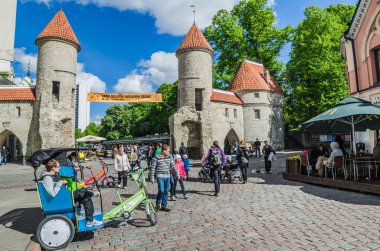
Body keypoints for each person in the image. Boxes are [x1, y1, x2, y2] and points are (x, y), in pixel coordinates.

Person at [40, 159, 102, 227]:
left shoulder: (52, 175)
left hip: (62, 196)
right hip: (60, 200)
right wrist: (60, 182)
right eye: (58, 166)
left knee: (84, 195)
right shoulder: (47, 178)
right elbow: (52, 194)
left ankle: (90, 220)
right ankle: (90, 219)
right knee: (85, 195)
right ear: (53, 168)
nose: (60, 167)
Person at [150, 144, 179, 212]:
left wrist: (177, 173)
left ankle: (164, 206)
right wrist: (152, 177)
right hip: (160, 176)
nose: (169, 152)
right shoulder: (156, 157)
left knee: (166, 191)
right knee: (161, 190)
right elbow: (153, 167)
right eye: (168, 151)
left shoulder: (170, 156)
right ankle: (158, 204)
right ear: (163, 150)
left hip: (167, 176)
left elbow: (173, 165)